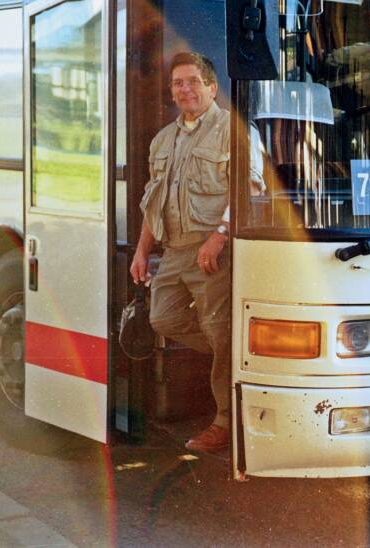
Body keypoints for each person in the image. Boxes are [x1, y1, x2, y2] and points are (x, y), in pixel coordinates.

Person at [130, 52, 235, 452]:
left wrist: (220, 235)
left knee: (220, 332)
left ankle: (223, 422)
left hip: (211, 253)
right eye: (178, 83)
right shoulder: (163, 140)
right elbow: (151, 205)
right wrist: (143, 252)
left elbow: (251, 192)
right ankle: (239, 358)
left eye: (193, 81)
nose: (185, 89)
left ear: (211, 87)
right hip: (173, 251)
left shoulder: (233, 132)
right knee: (163, 318)